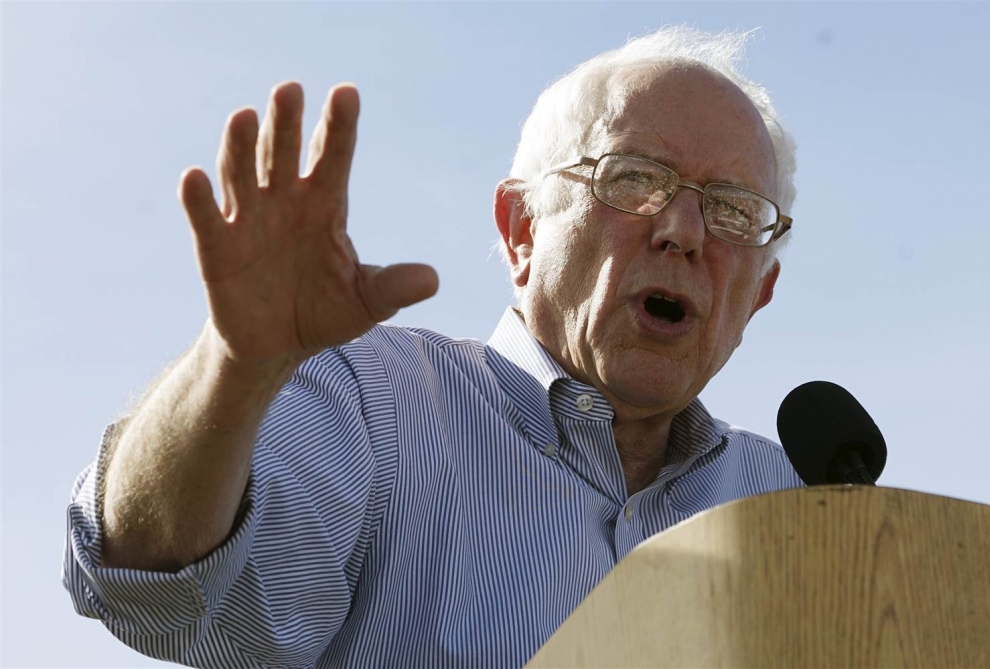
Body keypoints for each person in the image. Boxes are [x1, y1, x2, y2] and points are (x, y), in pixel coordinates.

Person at [63, 25, 803, 668]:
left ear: (759, 295)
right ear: (522, 229)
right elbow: (151, 577)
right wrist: (234, 370)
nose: (683, 231)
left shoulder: (796, 506)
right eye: (636, 177)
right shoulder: (375, 402)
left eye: (734, 210)